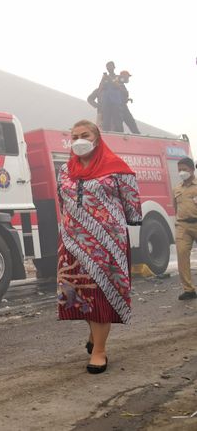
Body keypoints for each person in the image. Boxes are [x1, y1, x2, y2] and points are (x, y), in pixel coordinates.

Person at [57, 119, 142, 374]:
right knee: (81, 296)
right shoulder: (64, 171)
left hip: (107, 243)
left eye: (85, 135)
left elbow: (131, 202)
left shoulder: (116, 168)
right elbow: (62, 203)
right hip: (72, 242)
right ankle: (95, 336)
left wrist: (127, 224)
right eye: (74, 137)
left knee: (102, 296)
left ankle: (100, 351)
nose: (79, 140)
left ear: (97, 137)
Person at [174, 157, 197, 300]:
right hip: (182, 225)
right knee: (182, 255)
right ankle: (189, 290)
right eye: (180, 170)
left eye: (185, 169)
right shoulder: (177, 188)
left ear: (192, 169)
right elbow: (176, 208)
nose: (182, 172)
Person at [87, 61, 123, 132]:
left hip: (115, 106)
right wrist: (98, 105)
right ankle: (105, 134)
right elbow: (91, 97)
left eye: (110, 66)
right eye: (107, 67)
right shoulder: (102, 83)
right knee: (104, 124)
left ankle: (118, 135)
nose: (109, 68)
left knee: (116, 122)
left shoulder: (118, 78)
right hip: (104, 108)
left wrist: (124, 101)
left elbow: (121, 89)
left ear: (114, 67)